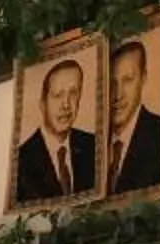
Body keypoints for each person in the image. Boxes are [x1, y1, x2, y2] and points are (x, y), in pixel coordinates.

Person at [11, 58, 98, 208]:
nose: (66, 105)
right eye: (58, 95)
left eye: (73, 93)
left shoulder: (94, 145)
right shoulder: (21, 161)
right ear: (42, 103)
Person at [103, 38, 160, 196]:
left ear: (143, 78)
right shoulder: (90, 146)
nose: (118, 95)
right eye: (111, 82)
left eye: (128, 80)